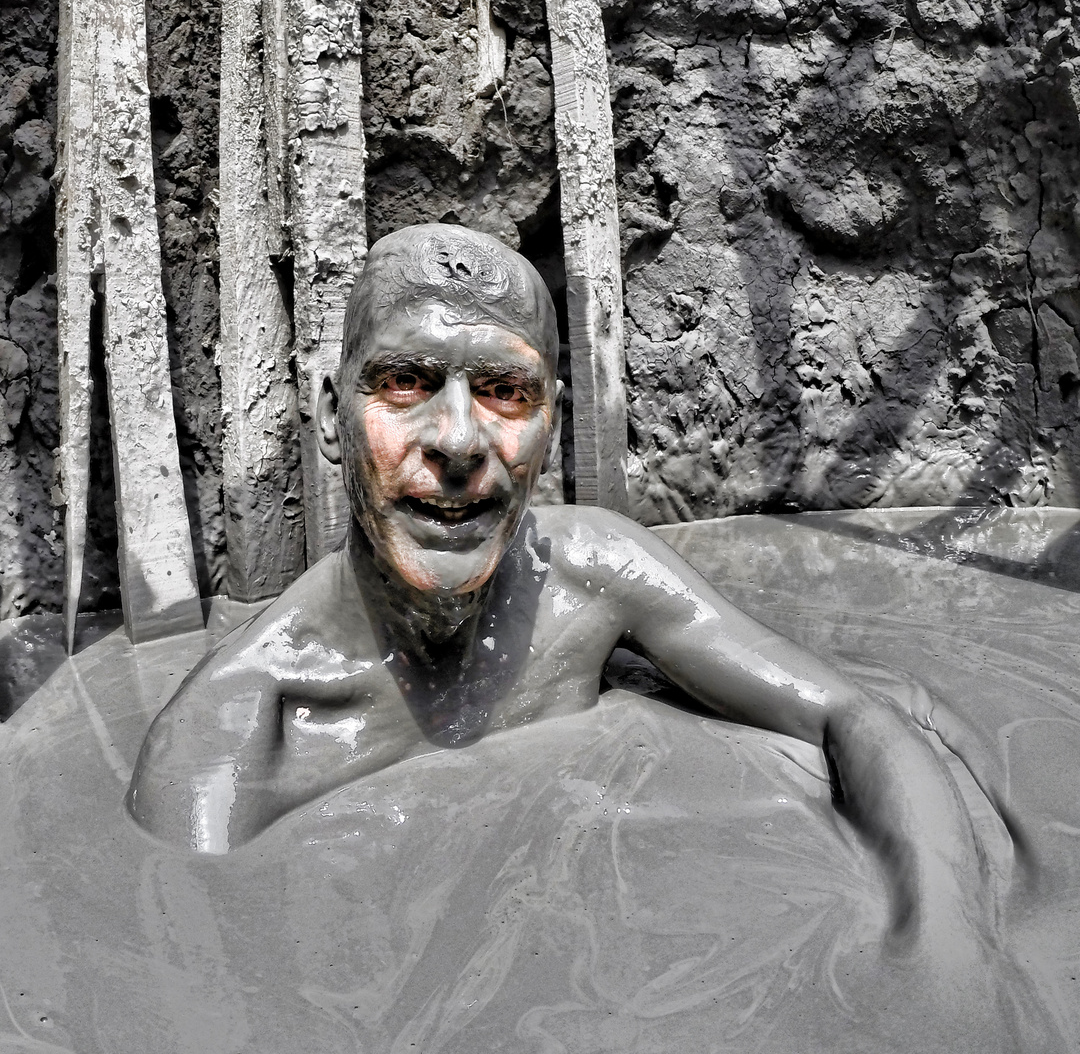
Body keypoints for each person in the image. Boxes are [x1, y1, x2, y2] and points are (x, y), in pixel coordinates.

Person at [128, 224, 1012, 1019]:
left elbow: (852, 715)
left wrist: (949, 964)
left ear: (552, 426)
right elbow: (220, 991)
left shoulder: (590, 572)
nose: (460, 442)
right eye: (405, 382)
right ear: (332, 417)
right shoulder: (237, 733)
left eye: (506, 392)